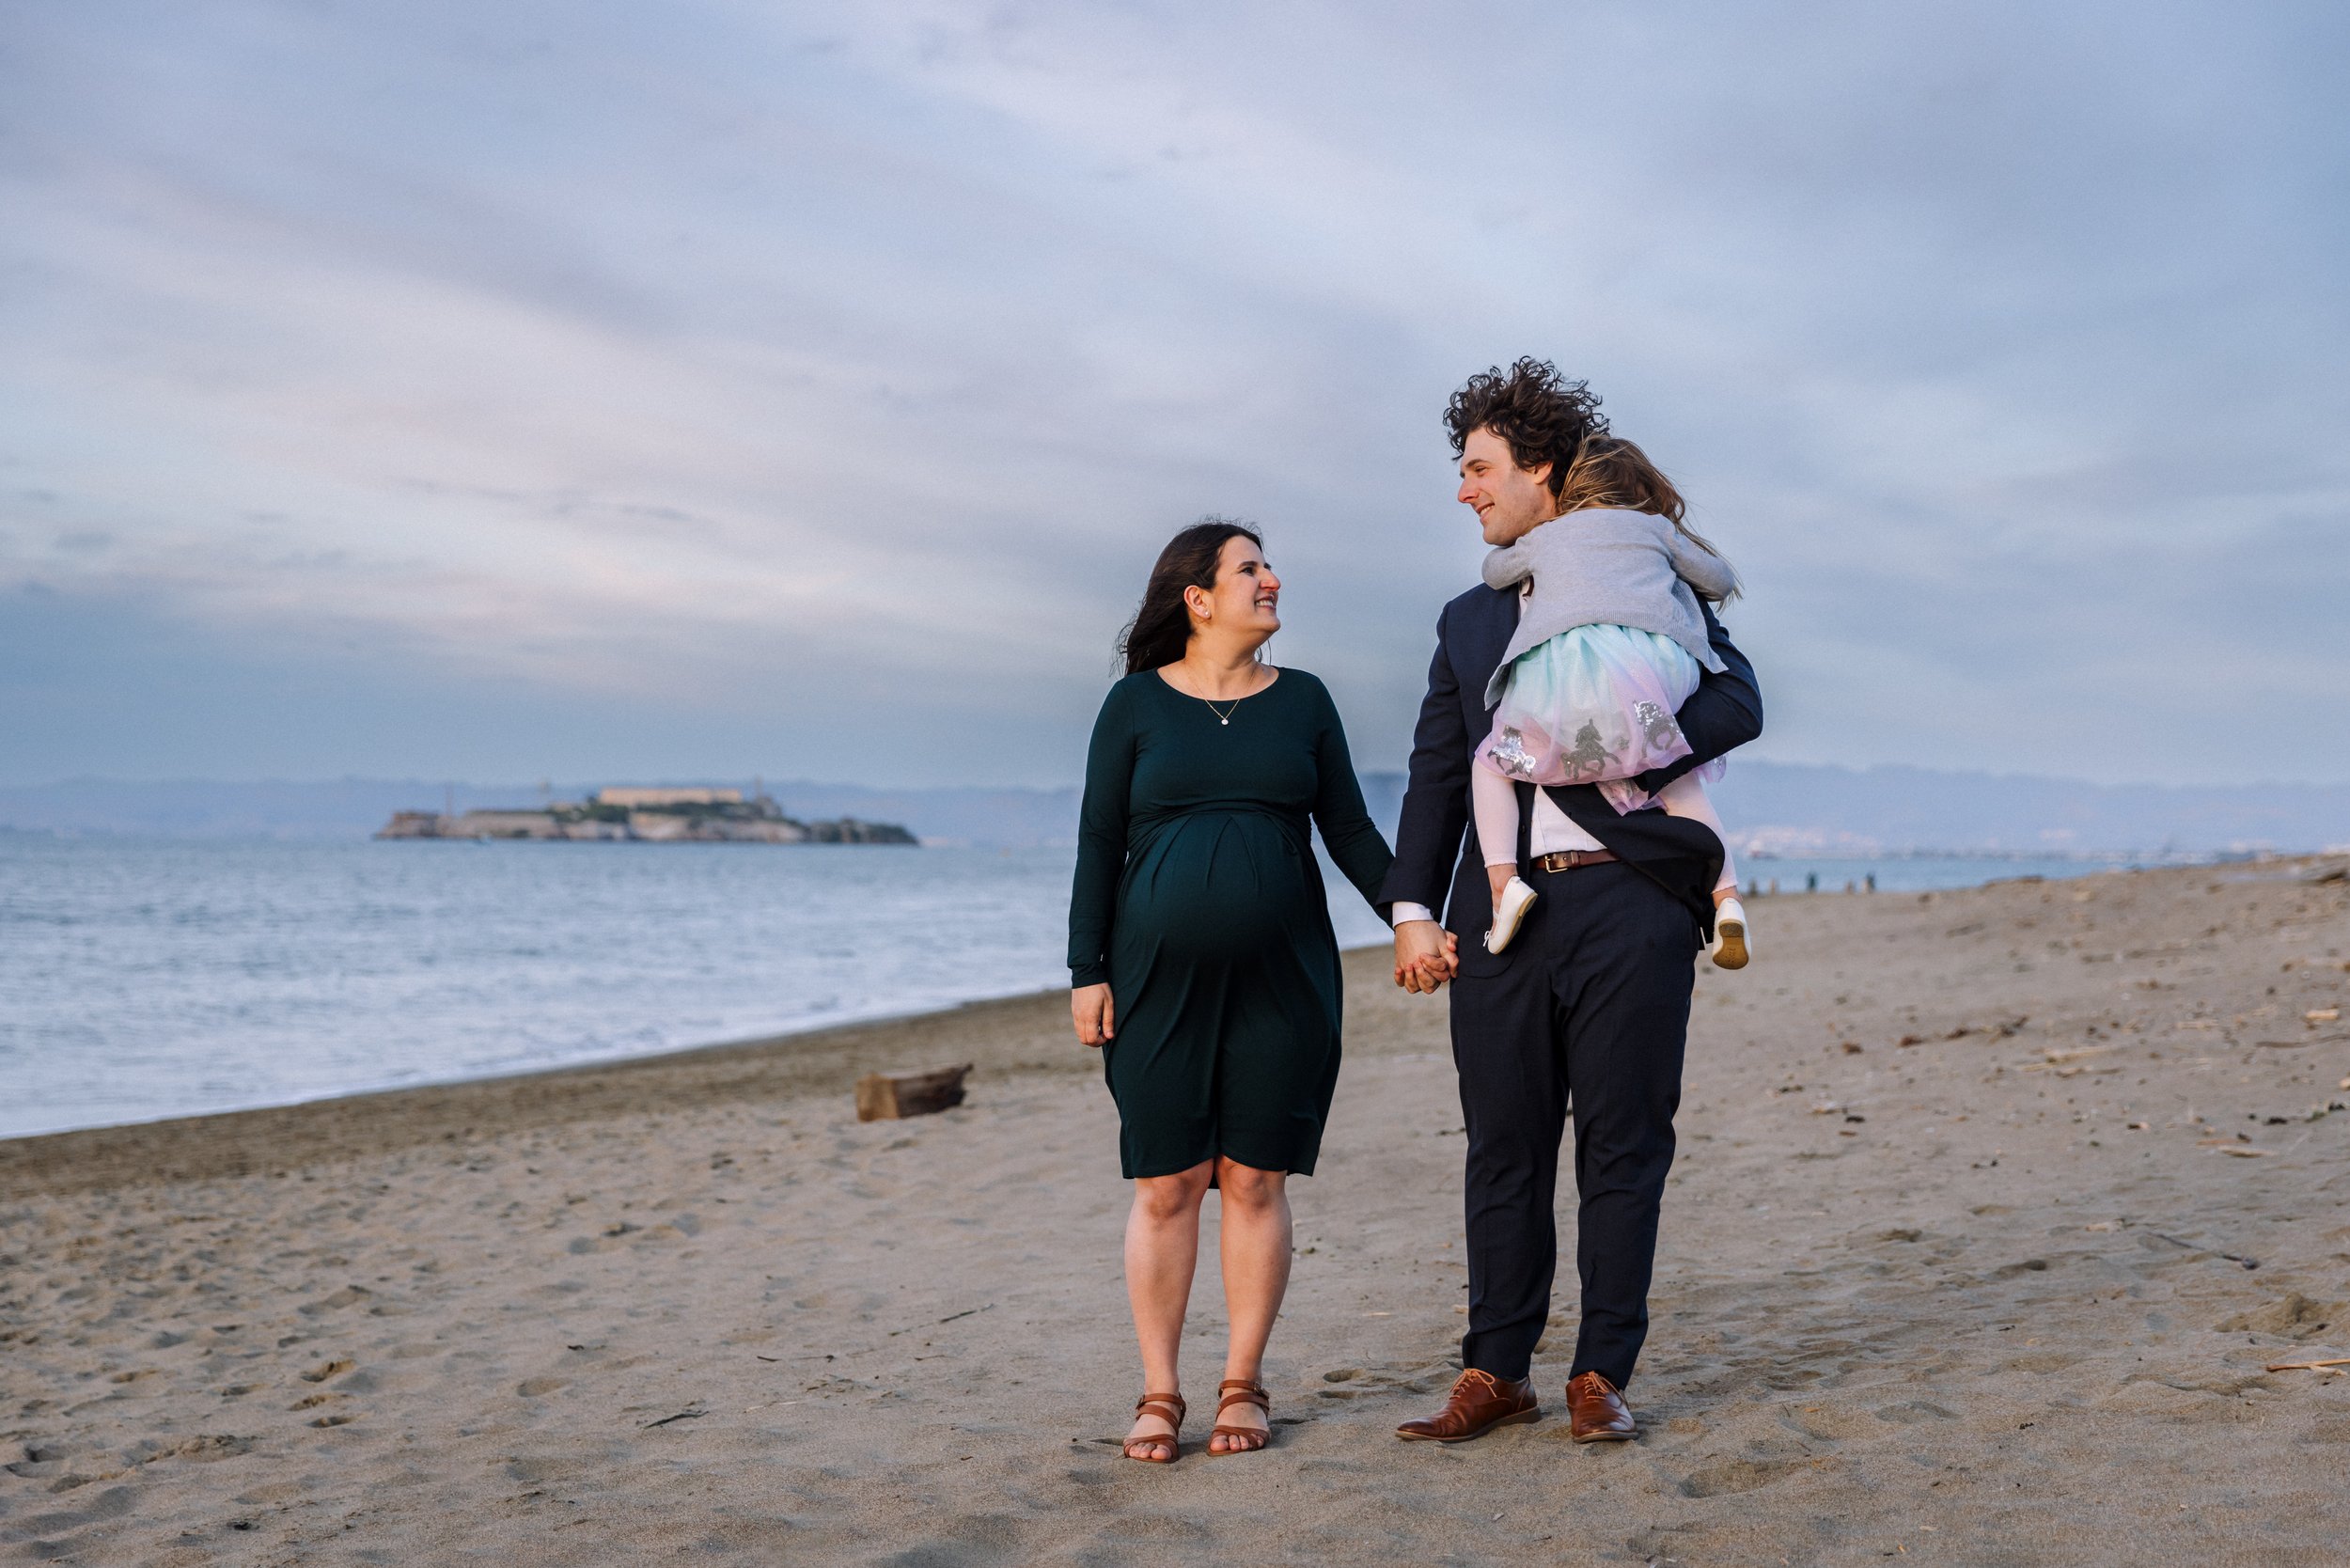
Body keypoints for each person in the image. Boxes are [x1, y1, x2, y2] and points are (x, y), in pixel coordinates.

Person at [1384, 360, 1762, 1446]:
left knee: (1622, 1143)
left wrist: (1610, 748)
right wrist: (1414, 907)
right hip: (1502, 916)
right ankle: (1494, 1371)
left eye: (1479, 469)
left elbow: (1739, 698)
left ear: (1539, 473)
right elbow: (1434, 769)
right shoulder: (1467, 619)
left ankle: (1601, 1373)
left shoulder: (1657, 590)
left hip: (1634, 900)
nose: (1465, 491)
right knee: (1501, 1146)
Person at [1069, 519, 1395, 1463]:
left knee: (1254, 1178)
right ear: (1197, 598)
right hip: (1152, 980)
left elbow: (1350, 830)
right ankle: (1160, 1390)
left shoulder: (1304, 702)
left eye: (1269, 565)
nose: (1273, 580)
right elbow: (1097, 842)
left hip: (1283, 975)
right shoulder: (1133, 706)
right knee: (1167, 1183)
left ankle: (1242, 1383)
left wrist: (1407, 914)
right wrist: (1084, 970)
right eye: (1250, 568)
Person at [1467, 432, 1752, 969]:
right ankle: (1727, 898)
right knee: (1677, 777)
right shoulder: (1656, 531)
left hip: (1573, 682)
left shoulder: (1551, 537)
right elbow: (1719, 579)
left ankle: (1504, 884)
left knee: (1494, 764)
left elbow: (1494, 572)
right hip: (1652, 682)